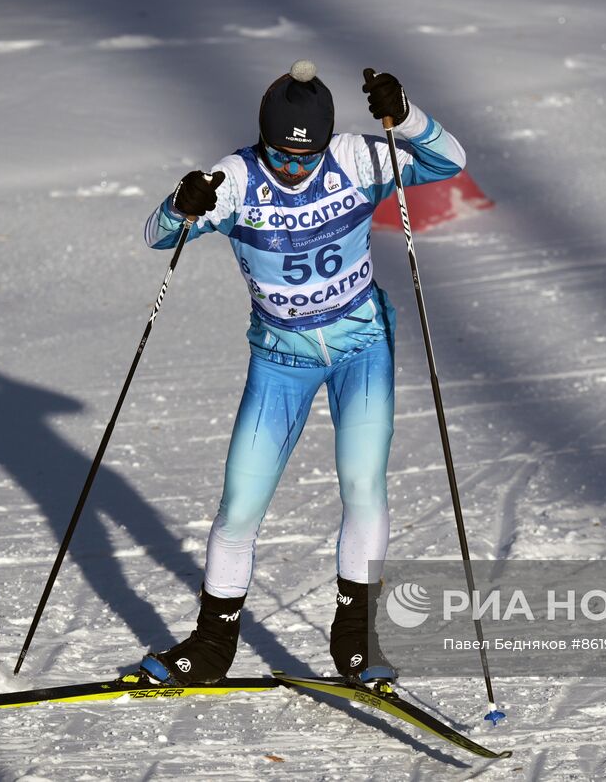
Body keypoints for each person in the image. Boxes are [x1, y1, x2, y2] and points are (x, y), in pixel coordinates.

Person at [138, 60, 466, 686]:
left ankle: (356, 644)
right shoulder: (236, 178)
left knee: (364, 485)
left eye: (305, 157)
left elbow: (449, 162)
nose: (293, 169)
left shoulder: (355, 159)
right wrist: (182, 205)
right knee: (239, 506)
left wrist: (410, 114)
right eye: (281, 157)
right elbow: (157, 236)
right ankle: (210, 649)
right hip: (280, 359)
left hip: (361, 343)